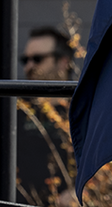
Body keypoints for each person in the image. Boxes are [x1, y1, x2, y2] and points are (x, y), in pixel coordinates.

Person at [18, 27, 78, 206]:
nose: (29, 67)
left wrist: (81, 193)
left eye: (38, 59)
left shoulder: (82, 112)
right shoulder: (13, 108)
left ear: (63, 62)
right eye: (25, 60)